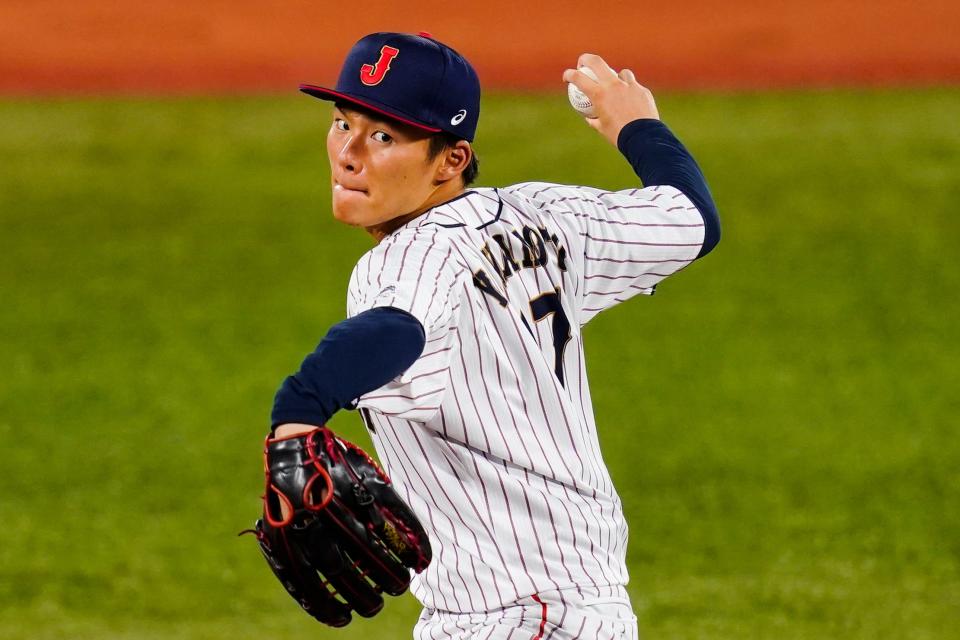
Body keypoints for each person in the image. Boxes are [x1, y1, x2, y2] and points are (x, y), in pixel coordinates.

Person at [269, 31, 719, 639]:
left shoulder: (406, 257)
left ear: (451, 160)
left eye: (383, 137)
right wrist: (636, 126)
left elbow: (394, 329)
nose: (349, 153)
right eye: (342, 121)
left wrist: (296, 414)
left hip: (516, 617)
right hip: (581, 606)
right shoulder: (548, 217)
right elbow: (692, 218)